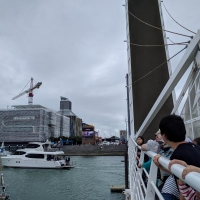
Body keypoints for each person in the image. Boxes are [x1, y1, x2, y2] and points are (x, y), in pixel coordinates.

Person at [153, 114, 200, 200]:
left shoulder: (177, 155)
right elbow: (180, 173)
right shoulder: (195, 147)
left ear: (164, 135)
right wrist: (160, 166)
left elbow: (183, 193)